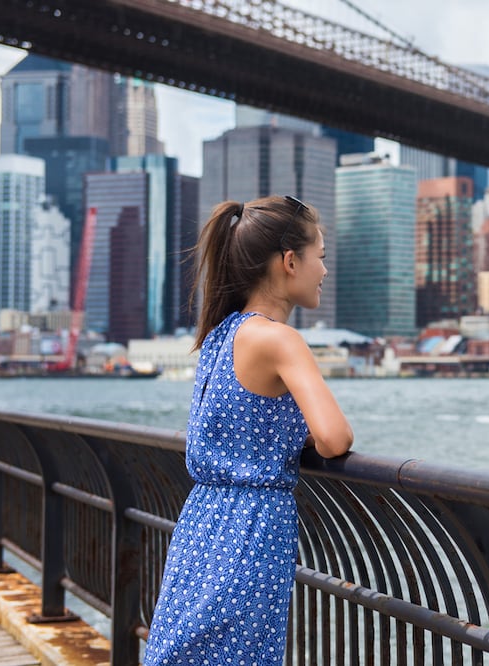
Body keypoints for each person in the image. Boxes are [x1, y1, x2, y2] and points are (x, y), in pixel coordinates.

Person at [144, 195, 353, 664]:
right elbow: (335, 438)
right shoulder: (279, 339)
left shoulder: (221, 333)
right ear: (290, 261)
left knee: (188, 649)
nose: (324, 271)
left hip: (202, 521)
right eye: (321, 258)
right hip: (251, 528)